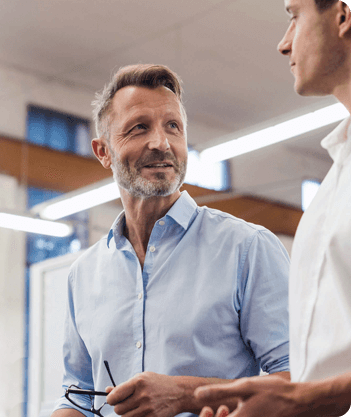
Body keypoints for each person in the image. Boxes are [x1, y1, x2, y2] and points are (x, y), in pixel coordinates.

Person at [51, 64, 291, 417]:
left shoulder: (248, 249)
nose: (161, 143)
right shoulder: (83, 274)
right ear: (103, 152)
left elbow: (300, 382)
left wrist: (186, 395)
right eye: (139, 128)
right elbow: (79, 394)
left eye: (173, 127)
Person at [194, 1, 351, 416]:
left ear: (343, 15)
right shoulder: (336, 179)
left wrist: (306, 399)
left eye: (294, 16)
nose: (284, 44)